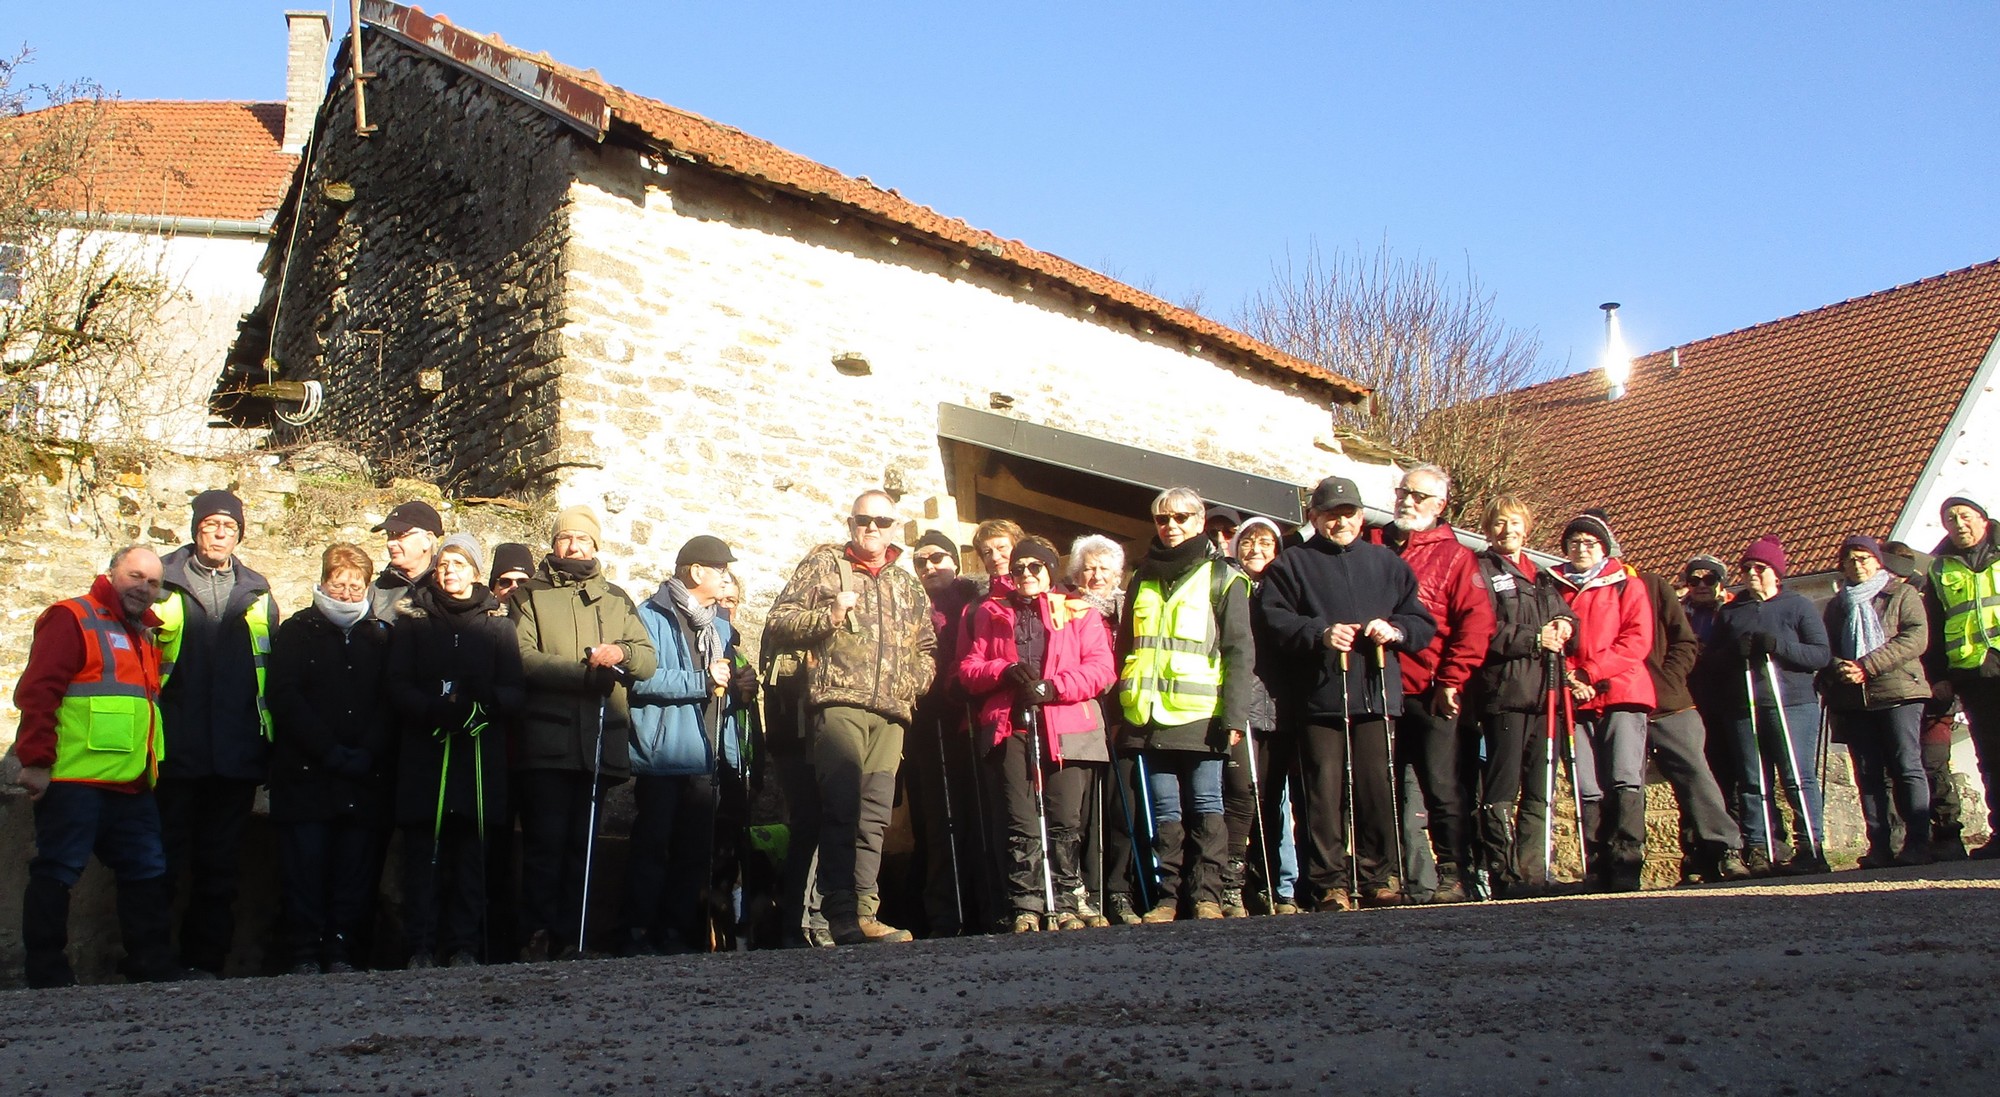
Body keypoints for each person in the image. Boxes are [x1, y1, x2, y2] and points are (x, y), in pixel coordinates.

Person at [13, 547, 192, 988]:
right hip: (75, 778)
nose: (144, 588)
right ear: (110, 573)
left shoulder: (145, 632)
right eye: (135, 576)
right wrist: (36, 762)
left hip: (130, 783)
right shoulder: (72, 617)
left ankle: (151, 967)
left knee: (147, 871)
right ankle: (47, 975)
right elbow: (39, 692)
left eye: (153, 583)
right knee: (57, 871)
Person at [1254, 476, 1436, 910]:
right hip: (1318, 698)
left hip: (1374, 694)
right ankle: (1328, 883)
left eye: (1348, 514)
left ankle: (1377, 876)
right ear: (1314, 517)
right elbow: (1274, 620)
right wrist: (1319, 633)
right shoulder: (1292, 564)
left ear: (1361, 516)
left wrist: (1395, 630)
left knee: (1376, 788)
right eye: (1331, 515)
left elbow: (1420, 622)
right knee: (1323, 794)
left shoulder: (1387, 563)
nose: (1341, 522)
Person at [765, 490, 937, 945]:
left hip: (892, 713)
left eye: (882, 521)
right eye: (864, 520)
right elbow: (779, 621)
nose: (872, 528)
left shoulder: (906, 584)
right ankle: (837, 912)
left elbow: (927, 646)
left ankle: (864, 911)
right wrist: (830, 615)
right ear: (850, 524)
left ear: (894, 527)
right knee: (841, 806)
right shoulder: (824, 567)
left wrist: (914, 682)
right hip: (838, 702)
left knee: (874, 815)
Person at [509, 505, 658, 960]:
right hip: (547, 743)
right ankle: (535, 936)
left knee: (584, 847)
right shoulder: (529, 595)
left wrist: (621, 653)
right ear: (554, 544)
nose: (574, 547)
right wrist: (583, 675)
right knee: (545, 845)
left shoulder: (616, 598)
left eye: (583, 540)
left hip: (599, 741)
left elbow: (647, 659)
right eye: (566, 538)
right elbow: (521, 658)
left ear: (596, 546)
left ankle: (574, 939)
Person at [153, 489, 280, 977]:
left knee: (220, 866)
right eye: (210, 525)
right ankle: (152, 960)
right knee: (162, 860)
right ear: (195, 531)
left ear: (240, 534)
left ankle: (205, 964)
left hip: (235, 751)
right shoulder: (161, 582)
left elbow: (270, 670)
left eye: (229, 526)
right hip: (173, 748)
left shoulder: (258, 592)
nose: (220, 534)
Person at [960, 536, 1116, 931]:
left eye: (1035, 566)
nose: (1026, 574)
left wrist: (1054, 687)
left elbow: (1102, 670)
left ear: (1050, 570)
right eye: (1018, 568)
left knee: (1065, 817)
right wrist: (1003, 670)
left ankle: (1066, 899)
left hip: (1066, 724)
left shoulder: (1078, 611)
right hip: (1010, 726)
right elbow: (969, 669)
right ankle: (1025, 904)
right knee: (1020, 820)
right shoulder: (992, 613)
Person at [1119, 486, 1255, 921]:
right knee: (1164, 810)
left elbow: (1239, 651)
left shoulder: (1224, 577)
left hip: (1202, 715)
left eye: (1181, 518)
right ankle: (1167, 899)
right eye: (1163, 519)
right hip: (1148, 714)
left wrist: (1234, 716)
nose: (1171, 526)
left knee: (1206, 805)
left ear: (1199, 522)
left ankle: (1207, 896)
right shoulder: (1142, 576)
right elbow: (1126, 646)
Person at [387, 534, 523, 967]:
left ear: (476, 573)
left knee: (470, 855)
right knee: (423, 855)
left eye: (459, 565)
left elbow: (514, 688)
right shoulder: (414, 620)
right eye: (444, 564)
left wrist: (488, 705)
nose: (449, 572)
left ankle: (464, 945)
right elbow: (397, 683)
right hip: (427, 751)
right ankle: (420, 945)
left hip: (477, 753)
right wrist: (431, 709)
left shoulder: (498, 624)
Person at [1368, 464, 1495, 903]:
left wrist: (1452, 679)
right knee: (1379, 787)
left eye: (1419, 496)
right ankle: (1387, 876)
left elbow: (1476, 624)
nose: (1407, 501)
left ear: (1440, 505)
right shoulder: (1374, 544)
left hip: (1429, 689)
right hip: (1377, 687)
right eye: (1403, 492)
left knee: (1441, 786)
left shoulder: (1456, 557)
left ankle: (1453, 873)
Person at [266, 543, 394, 974]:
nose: (346, 593)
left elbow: (389, 699)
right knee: (305, 868)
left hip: (363, 775)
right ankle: (304, 952)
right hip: (308, 774)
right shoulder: (297, 630)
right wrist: (328, 751)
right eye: (338, 584)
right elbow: (284, 695)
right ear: (323, 583)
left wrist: (368, 751)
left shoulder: (380, 635)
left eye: (355, 586)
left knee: (354, 871)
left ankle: (342, 950)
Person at [621, 535, 740, 955]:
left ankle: (676, 933)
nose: (726, 577)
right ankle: (638, 931)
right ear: (696, 571)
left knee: (694, 851)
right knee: (652, 845)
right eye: (720, 569)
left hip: (706, 754)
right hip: (664, 754)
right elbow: (640, 679)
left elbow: (721, 688)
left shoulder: (720, 624)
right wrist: (700, 681)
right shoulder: (649, 616)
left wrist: (738, 688)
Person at [1699, 535, 1831, 874]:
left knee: (1796, 776)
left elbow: (1820, 654)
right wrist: (1734, 652)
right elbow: (1711, 661)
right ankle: (1759, 846)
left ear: (1776, 572)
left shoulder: (1797, 606)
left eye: (1760, 568)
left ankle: (1810, 845)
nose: (1752, 574)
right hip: (1744, 705)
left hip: (1792, 704)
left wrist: (1779, 646)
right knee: (1753, 779)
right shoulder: (1732, 612)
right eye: (1747, 569)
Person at [1470, 495, 1573, 895]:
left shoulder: (1542, 576)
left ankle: (1534, 871)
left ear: (1526, 528)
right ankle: (1504, 872)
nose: (1507, 530)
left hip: (1547, 694)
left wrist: (1565, 623)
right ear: (1487, 529)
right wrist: (1534, 639)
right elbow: (1482, 629)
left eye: (1514, 523)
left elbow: (1566, 614)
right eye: (1499, 523)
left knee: (1540, 786)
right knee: (1502, 787)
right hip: (1506, 693)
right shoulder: (1480, 570)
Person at [1547, 511, 1655, 892]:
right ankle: (1596, 863)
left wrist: (1590, 673)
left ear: (1604, 548)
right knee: (1587, 784)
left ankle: (1626, 862)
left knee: (1624, 777)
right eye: (1574, 543)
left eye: (1589, 543)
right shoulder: (1553, 587)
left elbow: (1636, 640)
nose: (1581, 549)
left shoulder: (1627, 585)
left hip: (1622, 693)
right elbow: (1552, 640)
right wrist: (1571, 678)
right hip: (1574, 699)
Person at [1823, 535, 1934, 866]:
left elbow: (1915, 637)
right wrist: (1838, 667)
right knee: (1869, 775)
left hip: (1899, 692)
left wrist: (1866, 666)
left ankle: (1918, 842)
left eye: (1864, 558)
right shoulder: (1837, 606)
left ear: (1877, 561)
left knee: (1906, 766)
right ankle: (1880, 846)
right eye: (1850, 560)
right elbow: (1825, 647)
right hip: (1855, 699)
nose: (1857, 565)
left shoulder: (1901, 594)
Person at [1634, 568, 1748, 884]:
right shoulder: (1583, 590)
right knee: (1625, 786)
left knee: (1696, 777)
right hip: (1619, 705)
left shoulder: (1651, 585)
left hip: (1670, 704)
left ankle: (1725, 849)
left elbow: (1684, 641)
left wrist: (1668, 681)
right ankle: (1629, 862)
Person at [906, 529, 987, 936]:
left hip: (972, 716)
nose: (929, 567)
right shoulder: (910, 606)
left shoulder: (976, 602)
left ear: (955, 561)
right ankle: (943, 911)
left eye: (937, 558)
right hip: (927, 720)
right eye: (920, 561)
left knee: (979, 811)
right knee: (936, 818)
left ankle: (983, 901)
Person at [1071, 534, 1149, 925]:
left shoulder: (1130, 610)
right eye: (1088, 569)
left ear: (1119, 574)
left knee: (1123, 807)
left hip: (1125, 719)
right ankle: (1085, 890)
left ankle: (1119, 891)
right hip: (1083, 717)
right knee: (1083, 812)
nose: (1096, 576)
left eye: (1104, 569)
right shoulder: (1067, 610)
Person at [1228, 517, 1301, 914]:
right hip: (1241, 702)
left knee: (1272, 796)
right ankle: (1233, 880)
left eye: (1265, 543)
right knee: (1242, 794)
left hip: (1279, 702)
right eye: (1248, 542)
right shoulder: (1228, 585)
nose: (1255, 550)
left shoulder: (1286, 587)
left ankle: (1270, 880)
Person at [1922, 495, 2000, 858]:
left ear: (1983, 519)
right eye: (1950, 519)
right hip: (1972, 673)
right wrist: (1938, 675)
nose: (1958, 524)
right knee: (1991, 757)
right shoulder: (1939, 569)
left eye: (1964, 516)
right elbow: (1935, 626)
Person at [367, 501, 445, 621]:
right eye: (389, 535)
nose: (390, 543)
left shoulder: (448, 586)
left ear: (427, 540)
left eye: (401, 534)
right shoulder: (374, 593)